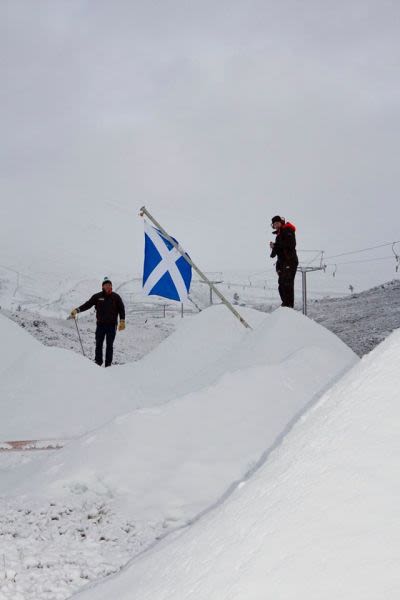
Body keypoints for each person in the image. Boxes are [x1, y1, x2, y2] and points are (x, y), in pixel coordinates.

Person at [70, 277, 125, 367]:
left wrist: (122, 320)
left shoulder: (116, 297)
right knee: (98, 344)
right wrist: (77, 310)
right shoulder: (97, 296)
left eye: (109, 285)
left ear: (111, 286)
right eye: (106, 285)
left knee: (109, 346)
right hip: (100, 325)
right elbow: (88, 304)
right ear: (102, 286)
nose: (108, 286)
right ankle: (98, 363)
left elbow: (121, 309)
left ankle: (108, 364)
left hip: (112, 326)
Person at [269, 215, 298, 308]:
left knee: (287, 283)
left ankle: (289, 305)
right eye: (274, 224)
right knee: (281, 284)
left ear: (281, 223)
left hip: (290, 261)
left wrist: (276, 246)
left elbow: (291, 244)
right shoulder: (279, 235)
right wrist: (273, 248)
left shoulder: (287, 230)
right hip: (282, 263)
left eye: (277, 223)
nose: (276, 225)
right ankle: (285, 304)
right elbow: (276, 251)